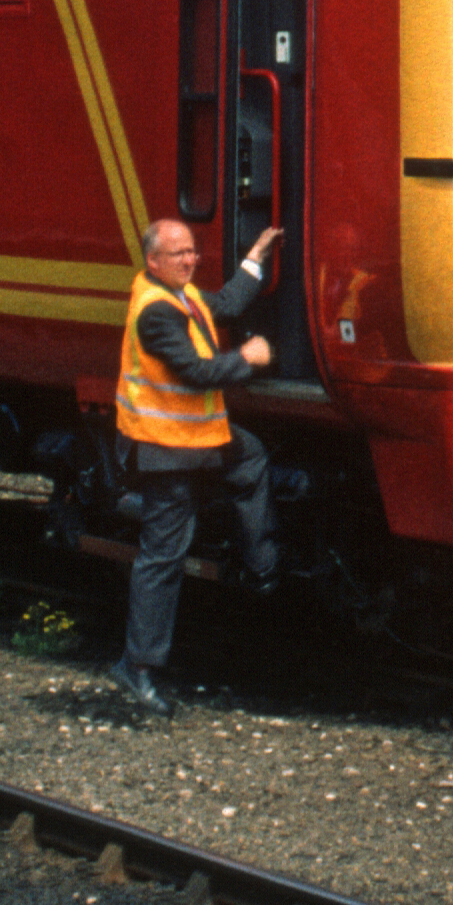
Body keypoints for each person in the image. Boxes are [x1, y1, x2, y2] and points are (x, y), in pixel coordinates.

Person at [107, 213, 280, 716]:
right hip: (166, 449)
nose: (190, 260)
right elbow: (198, 373)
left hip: (197, 438)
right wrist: (249, 357)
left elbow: (222, 304)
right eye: (179, 254)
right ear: (153, 260)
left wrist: (256, 258)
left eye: (192, 252)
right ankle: (136, 667)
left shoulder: (180, 295)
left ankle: (262, 568)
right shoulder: (156, 311)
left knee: (249, 456)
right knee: (163, 555)